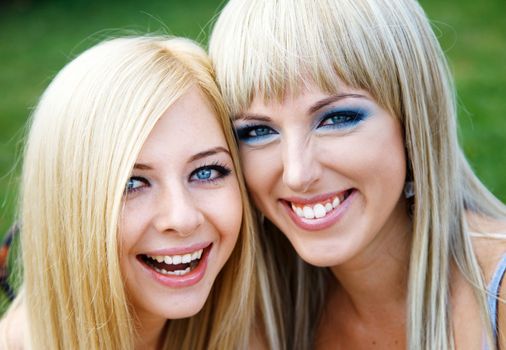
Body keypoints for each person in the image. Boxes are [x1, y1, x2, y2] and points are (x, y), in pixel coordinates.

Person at [209, 0, 506, 349]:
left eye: (336, 119)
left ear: (413, 121)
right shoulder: (254, 308)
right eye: (258, 131)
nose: (297, 174)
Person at [0, 36, 280, 349]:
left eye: (206, 172)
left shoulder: (265, 332)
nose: (182, 218)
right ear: (68, 207)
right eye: (131, 183)